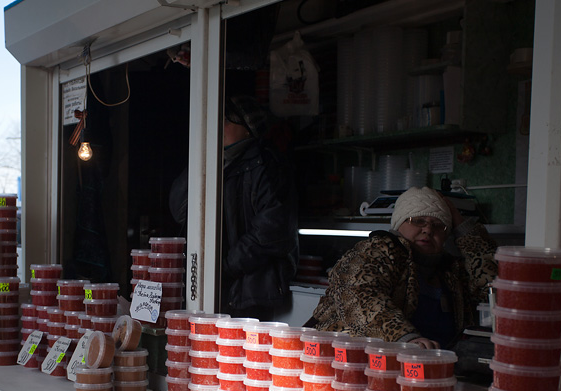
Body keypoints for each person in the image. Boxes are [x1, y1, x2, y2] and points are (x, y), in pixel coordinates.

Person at [310, 186, 497, 349]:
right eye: (417, 221)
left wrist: (463, 228)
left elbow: (492, 287)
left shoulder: (451, 271)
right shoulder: (376, 251)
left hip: (432, 369)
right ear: (399, 224)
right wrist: (404, 338)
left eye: (439, 225)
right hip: (358, 364)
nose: (428, 230)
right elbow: (359, 295)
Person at [170, 95, 299, 320]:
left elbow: (271, 231)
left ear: (248, 129)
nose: (220, 127)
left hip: (250, 292)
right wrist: (201, 158)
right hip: (219, 287)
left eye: (227, 121)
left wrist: (225, 267)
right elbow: (179, 211)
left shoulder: (266, 165)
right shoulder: (217, 163)